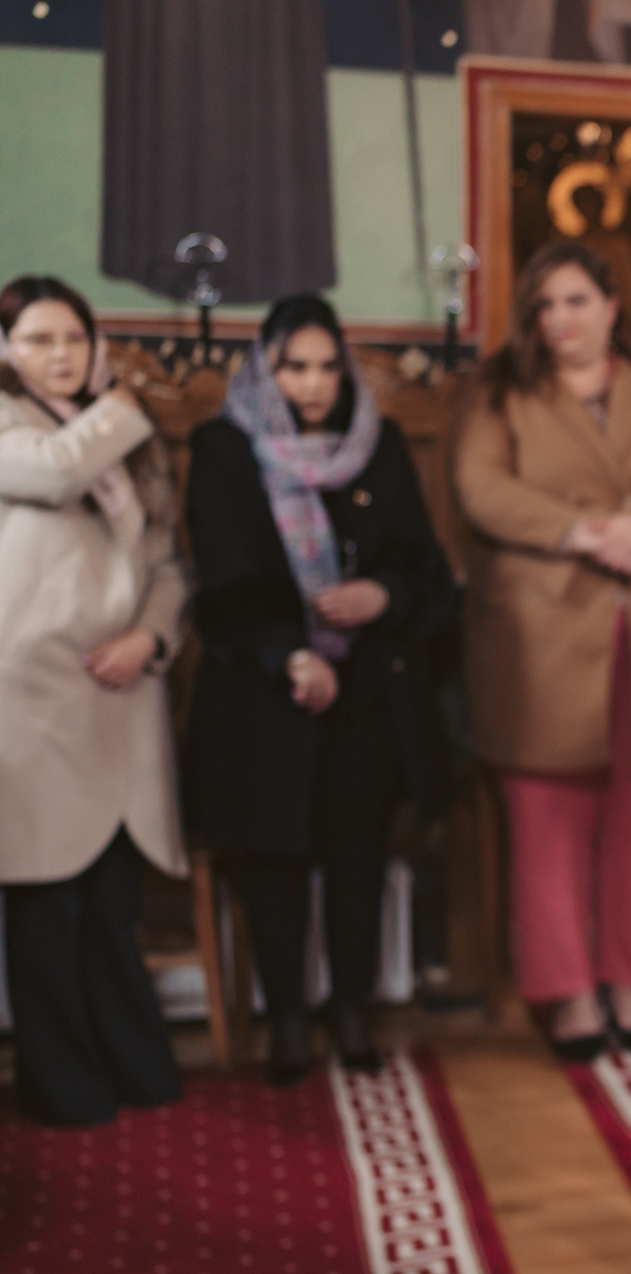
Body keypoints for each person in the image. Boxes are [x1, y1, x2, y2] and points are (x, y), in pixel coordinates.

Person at [185, 296, 457, 1084]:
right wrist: (290, 654)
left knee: (356, 853)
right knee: (273, 856)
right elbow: (225, 574)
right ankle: (289, 1019)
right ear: (266, 367)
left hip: (366, 688)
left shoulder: (379, 444)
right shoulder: (225, 447)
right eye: (294, 366)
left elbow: (423, 569)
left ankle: (348, 1008)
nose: (312, 384)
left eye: (326, 365)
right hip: (266, 694)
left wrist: (381, 597)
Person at [453, 240, 631, 1060]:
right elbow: (480, 486)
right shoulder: (497, 390)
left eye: (576, 301)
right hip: (542, 633)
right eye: (545, 305)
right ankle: (567, 994)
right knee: (547, 823)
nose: (560, 320)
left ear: (610, 305)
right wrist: (585, 532)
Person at [0, 276, 188, 1125]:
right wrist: (119, 400)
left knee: (113, 901)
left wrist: (151, 636)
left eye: (74, 337)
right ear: (6, 350)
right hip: (33, 704)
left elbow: (167, 561)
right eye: (38, 339)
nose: (61, 354)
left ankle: (129, 1059)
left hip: (123, 694)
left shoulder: (128, 446)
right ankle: (59, 1080)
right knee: (46, 902)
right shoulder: (18, 429)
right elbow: (51, 471)